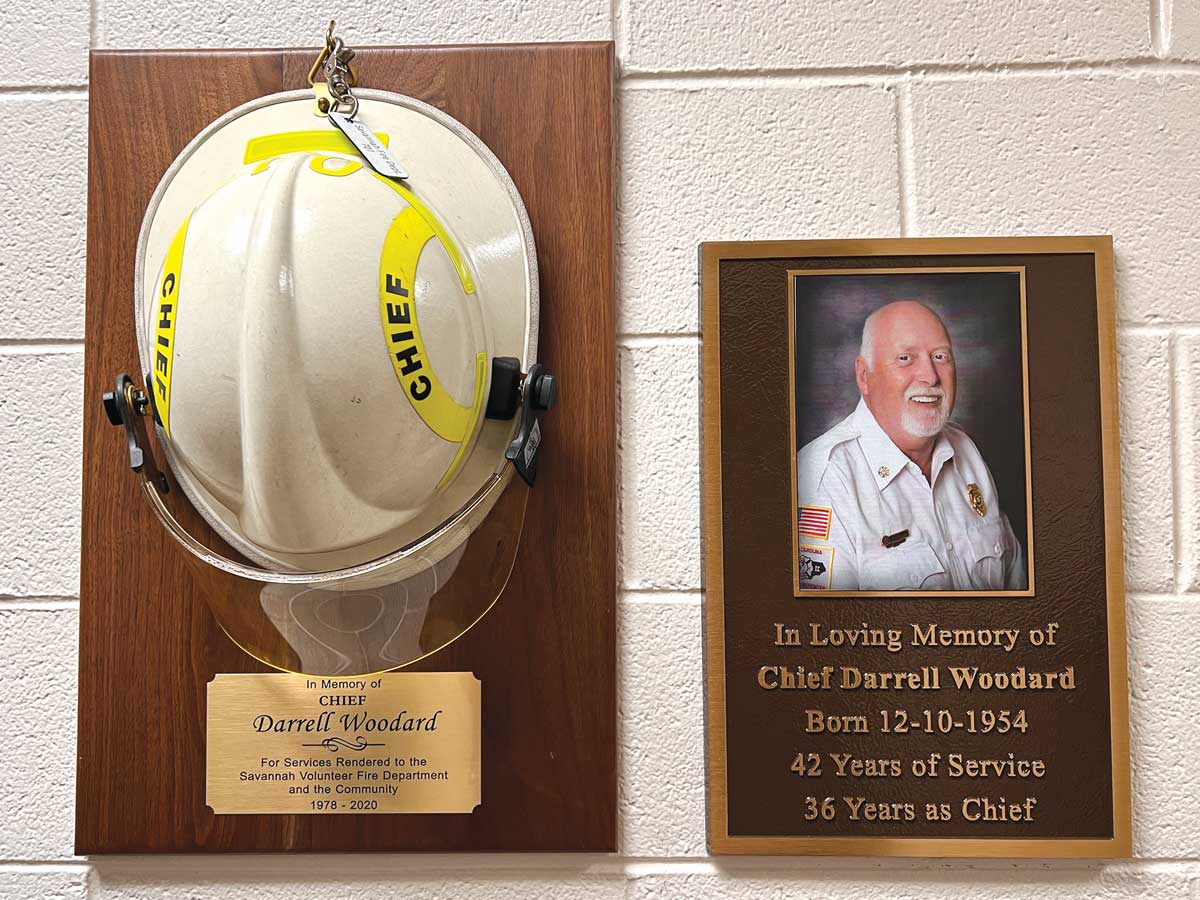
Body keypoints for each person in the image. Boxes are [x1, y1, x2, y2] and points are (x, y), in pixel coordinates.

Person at [796, 300, 1027, 591]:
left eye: (940, 356)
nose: (930, 376)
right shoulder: (824, 478)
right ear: (864, 376)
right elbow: (825, 628)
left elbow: (1017, 588)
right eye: (905, 358)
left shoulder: (966, 451)